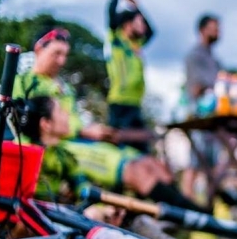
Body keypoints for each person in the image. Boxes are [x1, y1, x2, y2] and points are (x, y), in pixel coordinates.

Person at [12, 28, 201, 212]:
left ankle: (187, 214)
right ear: (39, 49)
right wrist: (82, 130)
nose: (62, 61)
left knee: (152, 163)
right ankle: (193, 216)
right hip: (64, 146)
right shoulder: (24, 82)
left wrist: (94, 130)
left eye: (65, 55)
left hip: (85, 141)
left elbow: (74, 119)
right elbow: (21, 122)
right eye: (56, 54)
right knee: (138, 170)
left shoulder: (65, 87)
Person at [18, 95, 125, 225]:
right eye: (60, 111)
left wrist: (105, 209)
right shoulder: (20, 151)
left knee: (95, 214)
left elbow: (83, 189)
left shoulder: (64, 156)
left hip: (51, 217)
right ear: (46, 124)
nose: (67, 114)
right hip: (23, 220)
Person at [104, 0, 155, 153]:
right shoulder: (116, 40)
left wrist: (138, 6)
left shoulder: (137, 44)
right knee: (118, 149)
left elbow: (152, 31)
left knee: (142, 150)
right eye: (138, 21)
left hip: (135, 103)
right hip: (119, 103)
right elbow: (110, 12)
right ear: (127, 24)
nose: (142, 25)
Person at [181, 14, 222, 200]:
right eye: (214, 27)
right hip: (198, 116)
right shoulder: (194, 55)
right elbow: (197, 87)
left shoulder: (215, 59)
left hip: (214, 118)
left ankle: (208, 204)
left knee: (212, 164)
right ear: (203, 29)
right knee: (195, 162)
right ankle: (185, 205)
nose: (218, 32)